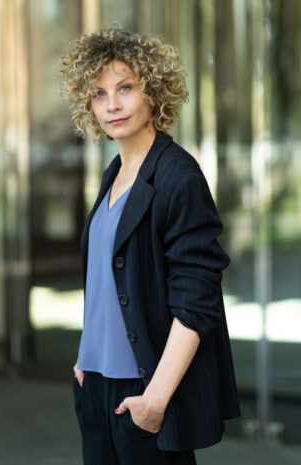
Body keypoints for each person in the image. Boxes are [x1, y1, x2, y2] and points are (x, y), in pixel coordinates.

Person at [59, 25, 240, 464]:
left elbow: (197, 300)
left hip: (144, 391)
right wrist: (87, 360)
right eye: (99, 93)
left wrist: (155, 400)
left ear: (154, 93)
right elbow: (107, 279)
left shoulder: (179, 176)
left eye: (125, 87)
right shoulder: (115, 174)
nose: (112, 104)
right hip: (96, 386)